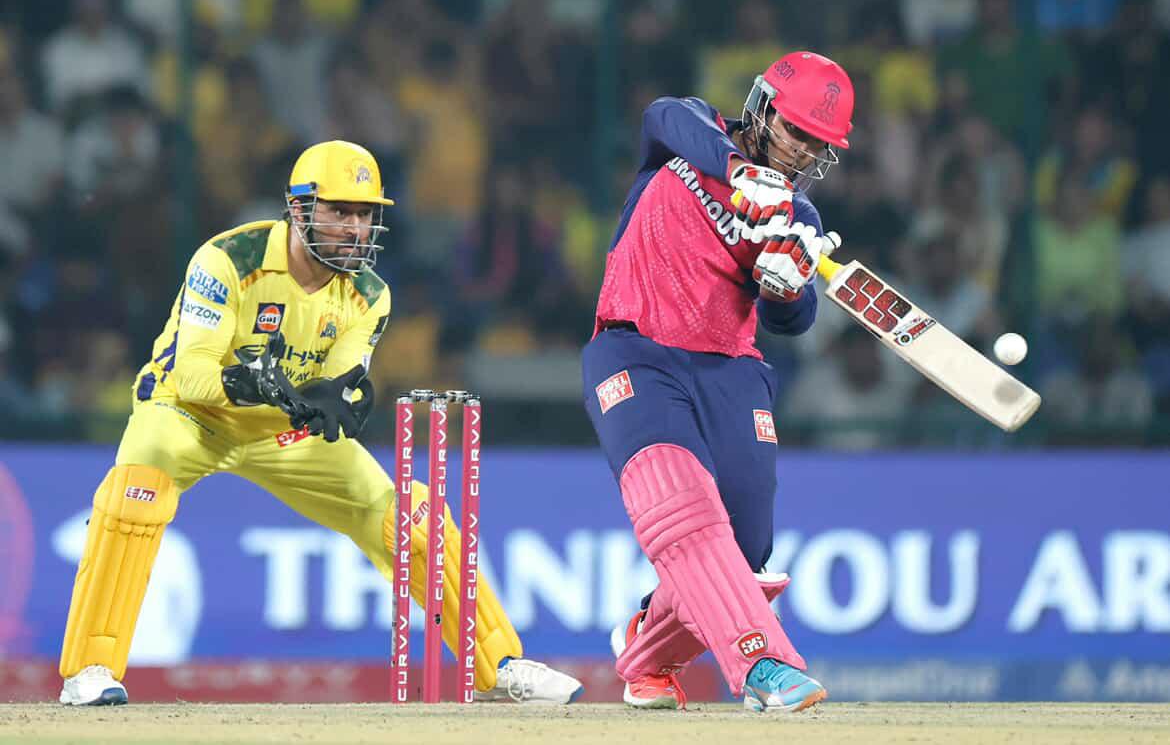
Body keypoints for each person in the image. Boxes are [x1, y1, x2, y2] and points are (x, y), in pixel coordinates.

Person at [58, 140, 582, 706]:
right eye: (340, 212)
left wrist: (339, 398)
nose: (355, 228)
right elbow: (190, 376)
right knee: (135, 497)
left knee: (410, 517)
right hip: (187, 415)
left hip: (279, 429)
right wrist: (251, 383)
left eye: (365, 215)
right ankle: (89, 671)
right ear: (299, 208)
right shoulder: (228, 259)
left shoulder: (370, 295)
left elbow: (337, 379)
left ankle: (501, 665)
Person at [583, 52, 854, 712]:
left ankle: (647, 647)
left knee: (746, 552)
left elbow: (792, 320)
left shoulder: (800, 217)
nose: (803, 151)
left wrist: (785, 288)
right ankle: (764, 665)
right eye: (796, 131)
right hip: (635, 350)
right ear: (761, 108)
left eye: (818, 145)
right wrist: (739, 172)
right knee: (680, 504)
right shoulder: (693, 133)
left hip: (729, 367)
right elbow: (661, 114)